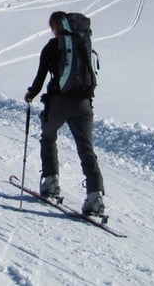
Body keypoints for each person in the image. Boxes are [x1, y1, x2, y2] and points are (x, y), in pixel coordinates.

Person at [24, 11, 105, 216]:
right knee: (86, 148)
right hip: (84, 103)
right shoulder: (84, 44)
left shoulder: (52, 47)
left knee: (48, 137)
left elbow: (40, 77)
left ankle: (50, 181)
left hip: (59, 102)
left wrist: (31, 94)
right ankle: (95, 196)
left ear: (56, 26)